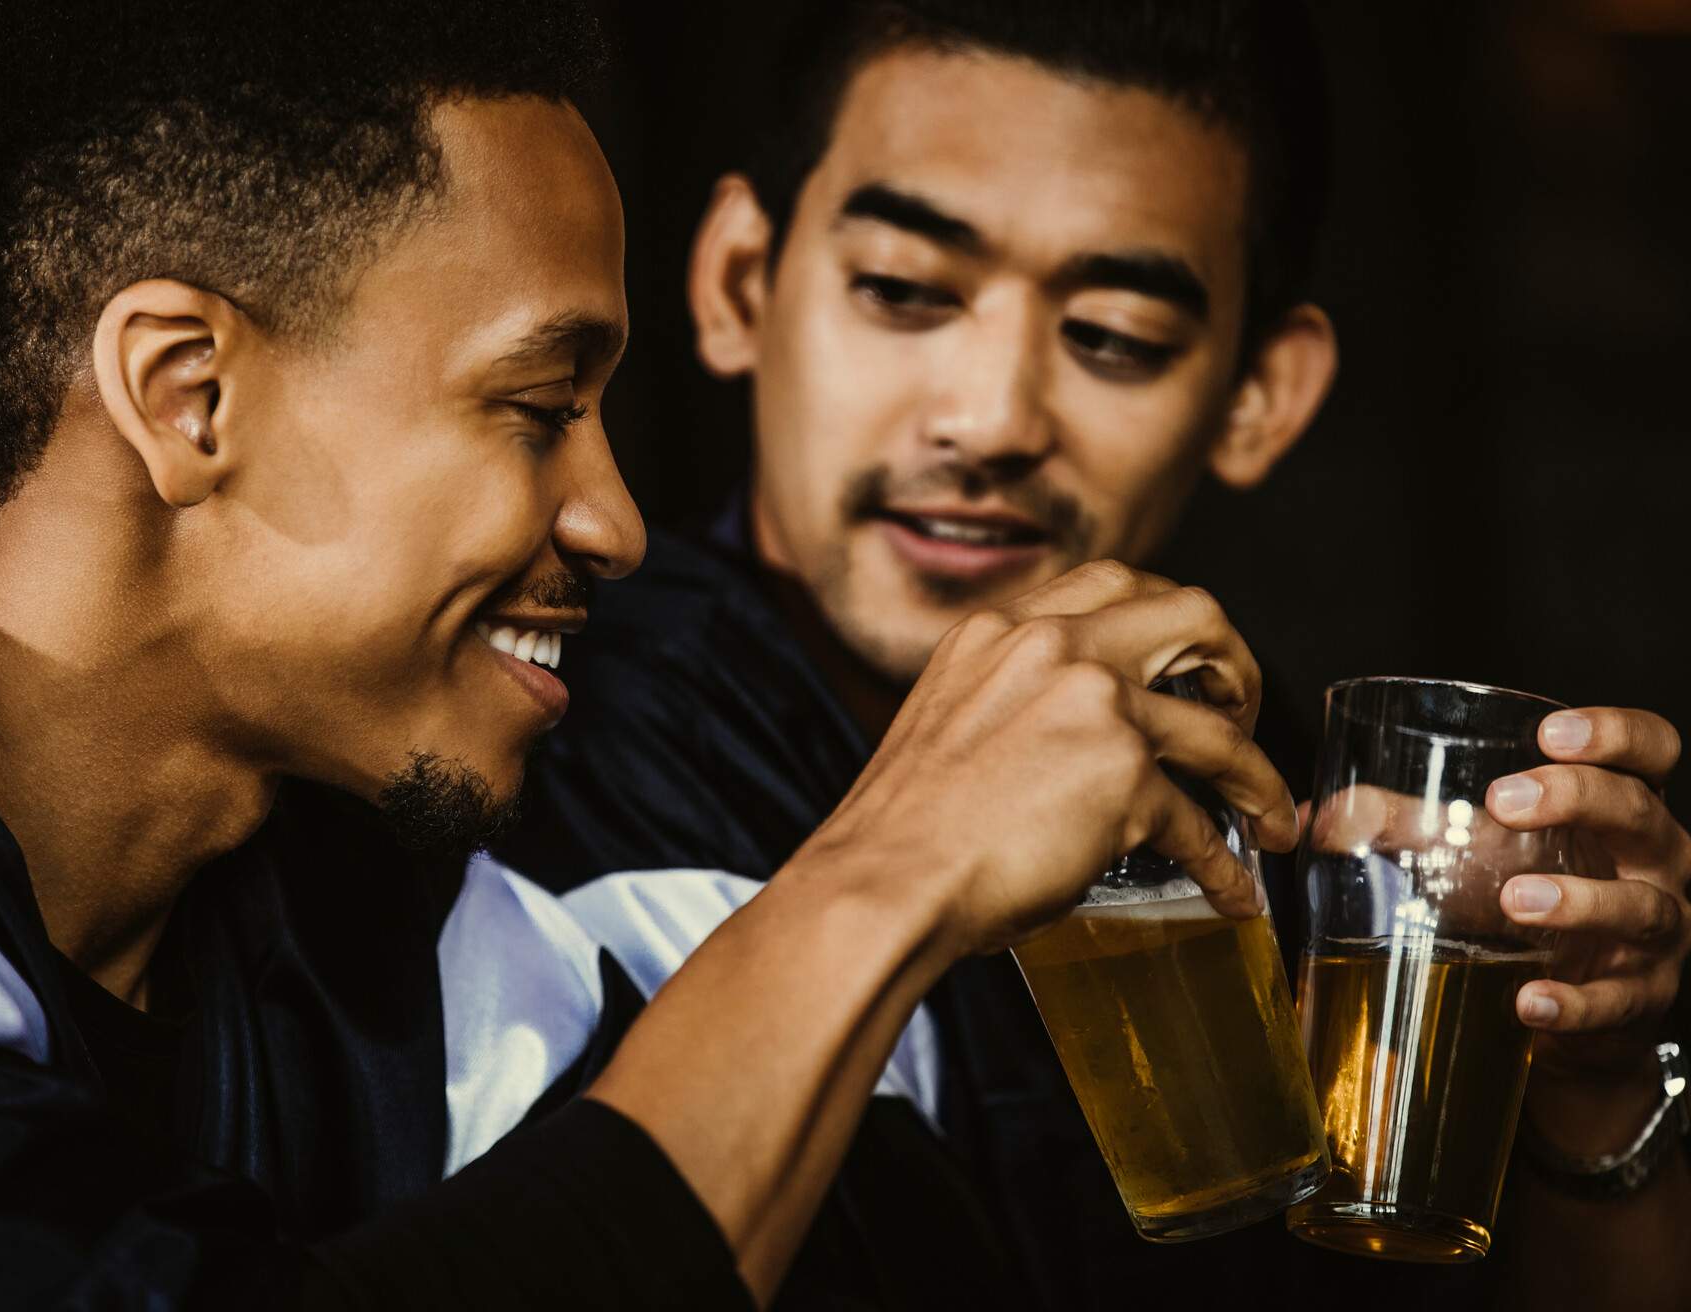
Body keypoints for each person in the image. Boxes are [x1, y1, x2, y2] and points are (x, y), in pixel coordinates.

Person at [0, 2, 1313, 1308]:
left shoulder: (404, 922)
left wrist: (1539, 1131)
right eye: (539, 404)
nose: (618, 522)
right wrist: (891, 876)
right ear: (189, 397)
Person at [496, 2, 1691, 1308]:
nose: (993, 419)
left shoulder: (1273, 802)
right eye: (902, 291)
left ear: (1258, 396)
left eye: (1113, 336)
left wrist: (1595, 1088)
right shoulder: (532, 735)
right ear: (739, 283)